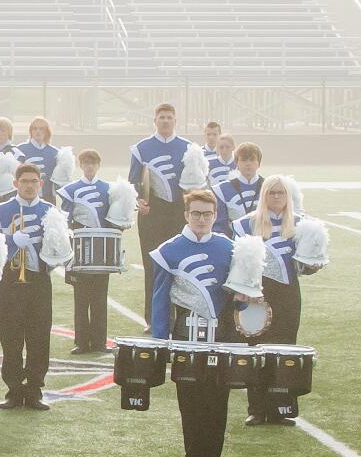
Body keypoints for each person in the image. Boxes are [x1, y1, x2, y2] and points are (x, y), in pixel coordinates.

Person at [149, 189, 236, 457]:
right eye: (196, 213)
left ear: (215, 216)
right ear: (186, 215)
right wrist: (162, 341)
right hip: (186, 334)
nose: (202, 219)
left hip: (221, 335)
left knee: (217, 400)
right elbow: (160, 298)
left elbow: (237, 297)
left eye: (208, 214)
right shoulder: (169, 249)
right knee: (190, 400)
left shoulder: (228, 247)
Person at [234, 175, 325, 426]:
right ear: (264, 195)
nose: (276, 197)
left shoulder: (300, 224)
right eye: (272, 193)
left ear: (288, 197)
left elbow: (304, 266)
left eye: (281, 193)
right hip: (256, 294)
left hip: (287, 295)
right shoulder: (245, 224)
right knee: (257, 349)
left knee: (286, 349)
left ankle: (282, 407)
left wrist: (313, 265)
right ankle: (257, 408)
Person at [0, 162, 65, 411]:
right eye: (25, 181)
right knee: (10, 336)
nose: (30, 186)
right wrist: (12, 240)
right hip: (10, 281)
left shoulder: (50, 210)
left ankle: (34, 389)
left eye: (34, 181)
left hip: (39, 280)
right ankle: (13, 389)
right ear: (15, 184)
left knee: (39, 335)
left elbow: (60, 249)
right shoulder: (0, 211)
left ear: (41, 184)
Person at [130, 101, 206, 316]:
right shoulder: (141, 148)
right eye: (161, 117)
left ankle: (181, 316)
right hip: (151, 213)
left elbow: (198, 182)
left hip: (180, 212)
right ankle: (153, 317)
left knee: (181, 263)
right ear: (155, 120)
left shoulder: (189, 148)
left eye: (169, 117)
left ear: (175, 121)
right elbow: (134, 181)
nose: (165, 121)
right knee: (152, 264)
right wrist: (140, 201)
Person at [57, 149, 125, 355]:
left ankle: (99, 342)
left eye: (93, 163)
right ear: (80, 165)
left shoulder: (109, 189)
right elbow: (65, 220)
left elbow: (115, 219)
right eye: (85, 163)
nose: (89, 167)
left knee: (99, 298)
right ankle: (81, 342)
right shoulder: (72, 189)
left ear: (98, 165)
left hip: (101, 251)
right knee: (81, 298)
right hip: (80, 249)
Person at [213, 142, 264, 236]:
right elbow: (219, 225)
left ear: (259, 163)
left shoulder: (269, 187)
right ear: (236, 163)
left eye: (252, 160)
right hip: (233, 241)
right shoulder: (221, 190)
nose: (248, 164)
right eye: (244, 160)